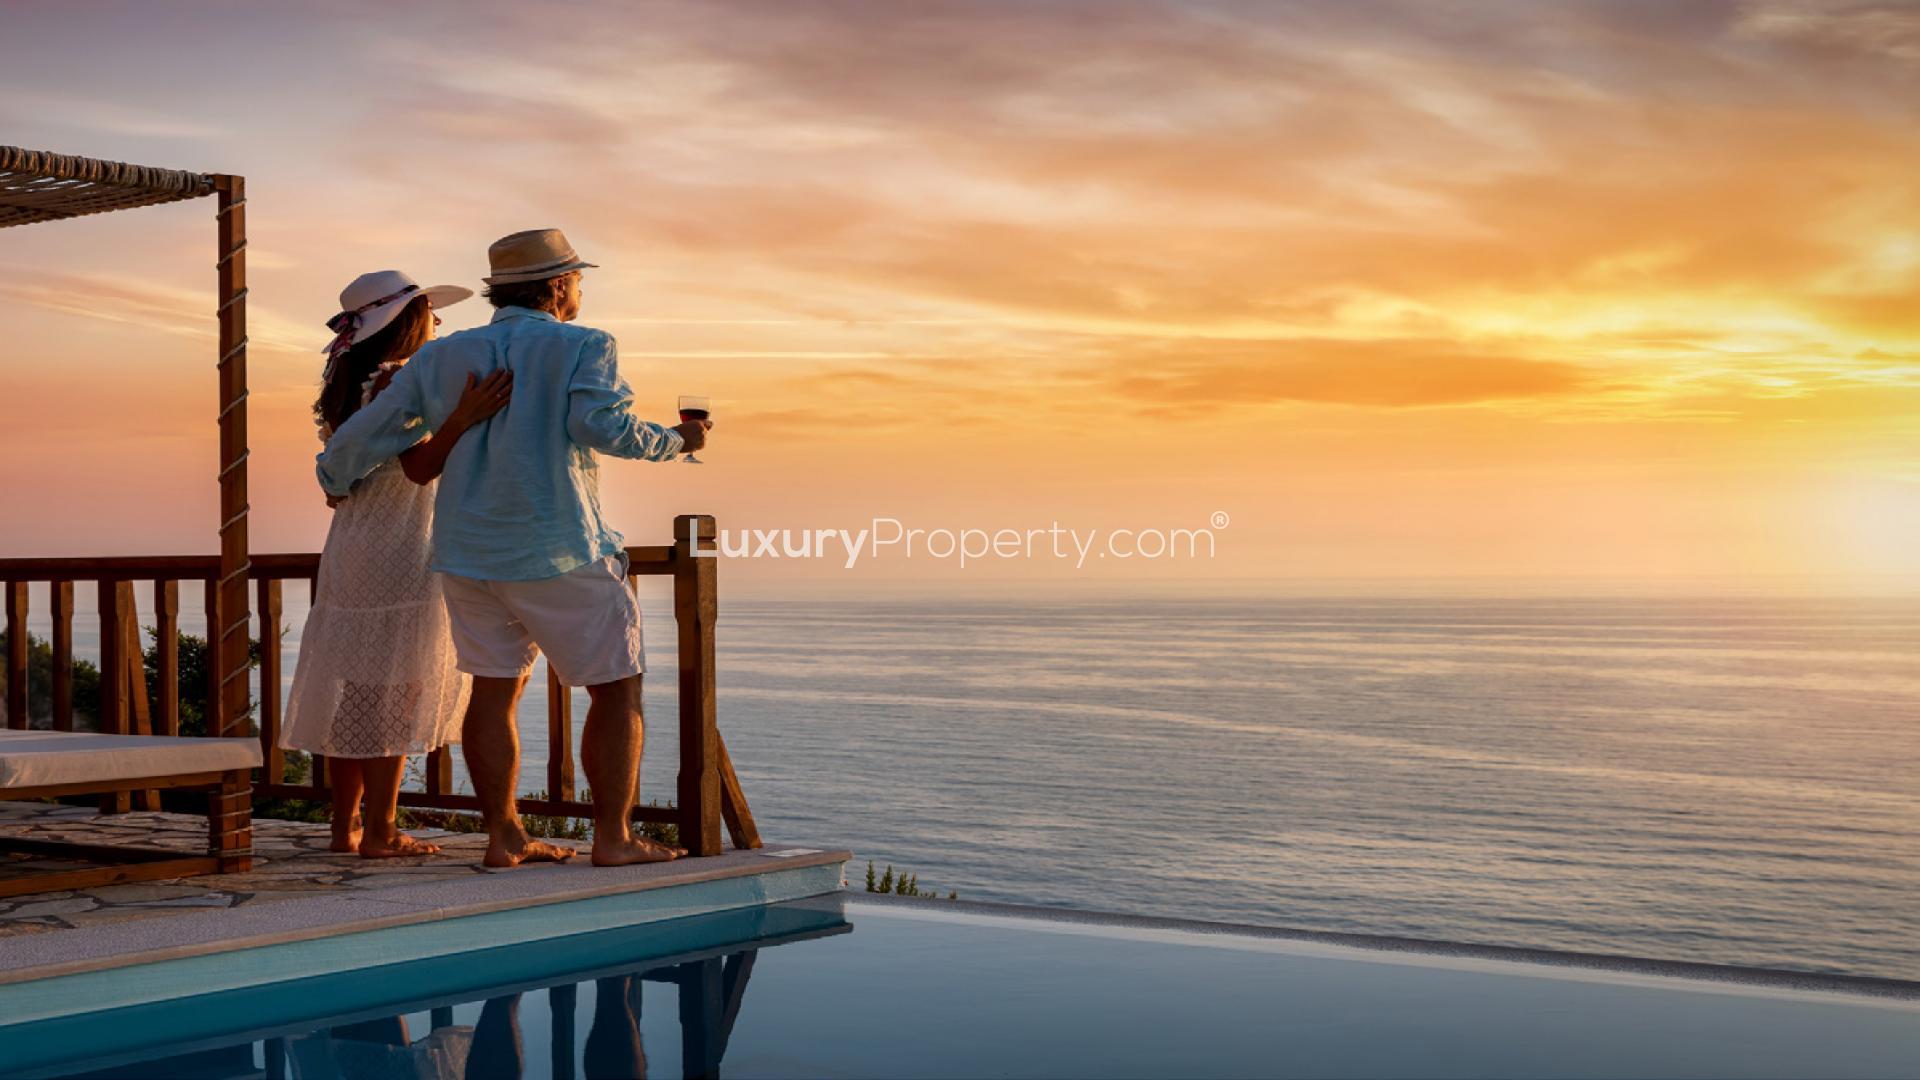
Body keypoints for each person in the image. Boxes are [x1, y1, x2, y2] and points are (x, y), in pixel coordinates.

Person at [316, 229, 708, 868]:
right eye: (577, 279)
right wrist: (677, 440)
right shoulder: (585, 345)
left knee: (493, 691)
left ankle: (504, 837)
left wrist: (334, 478)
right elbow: (597, 426)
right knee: (615, 688)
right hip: (558, 546)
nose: (579, 290)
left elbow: (355, 445)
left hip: (466, 555)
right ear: (558, 286)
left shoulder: (442, 358)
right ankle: (613, 839)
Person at [284, 270, 513, 858]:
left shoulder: (348, 380)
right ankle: (381, 830)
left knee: (358, 686)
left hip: (355, 539)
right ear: (407, 320)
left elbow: (351, 464)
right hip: (401, 541)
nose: (439, 322)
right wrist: (463, 417)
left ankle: (346, 828)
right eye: (431, 312)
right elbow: (416, 467)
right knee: (394, 689)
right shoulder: (395, 382)